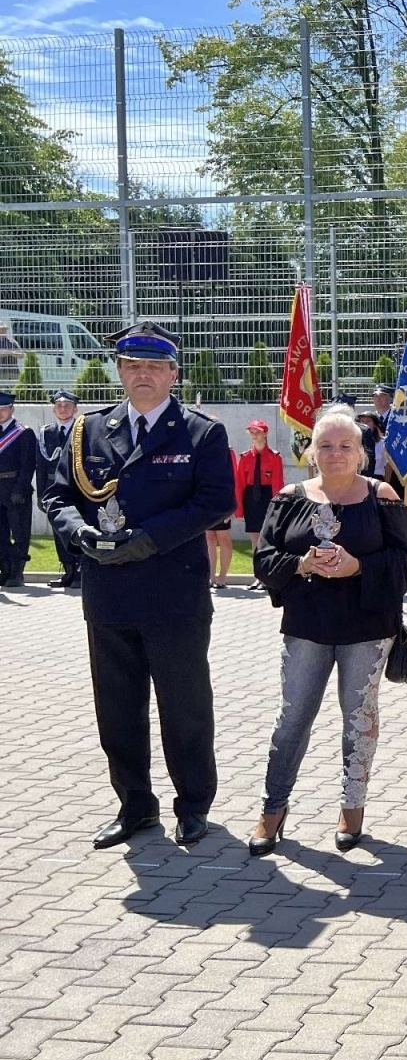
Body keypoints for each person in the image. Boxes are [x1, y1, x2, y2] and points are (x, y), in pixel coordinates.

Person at [41, 322, 234, 848]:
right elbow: (57, 496)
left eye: (153, 367)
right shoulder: (90, 431)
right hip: (109, 594)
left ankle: (193, 806)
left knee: (185, 706)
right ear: (120, 371)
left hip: (174, 592)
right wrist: (77, 531)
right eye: (132, 366)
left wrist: (150, 539)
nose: (142, 375)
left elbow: (216, 501)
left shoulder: (200, 432)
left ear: (173, 373)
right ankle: (135, 806)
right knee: (117, 708)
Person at [248, 406, 407, 856]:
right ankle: (273, 808)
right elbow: (263, 562)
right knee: (292, 722)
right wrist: (302, 564)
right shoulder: (289, 496)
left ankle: (352, 806)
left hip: (367, 627)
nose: (335, 453)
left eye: (345, 446)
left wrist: (357, 566)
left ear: (361, 453)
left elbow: (406, 566)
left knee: (358, 721)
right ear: (310, 451)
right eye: (325, 445)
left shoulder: (383, 497)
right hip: (306, 627)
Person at [37, 390, 81, 589]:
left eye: (67, 405)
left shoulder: (82, 430)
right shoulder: (47, 432)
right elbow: (41, 466)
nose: (63, 409)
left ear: (75, 408)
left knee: (77, 528)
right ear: (54, 409)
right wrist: (41, 494)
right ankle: (68, 571)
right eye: (59, 406)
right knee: (59, 531)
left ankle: (80, 572)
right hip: (53, 487)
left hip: (76, 487)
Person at [235, 420, 286, 580]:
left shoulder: (274, 457)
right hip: (251, 498)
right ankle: (258, 576)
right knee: (254, 540)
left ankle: (268, 574)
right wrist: (239, 509)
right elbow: (240, 484)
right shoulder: (244, 457)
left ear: (265, 434)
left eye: (257, 432)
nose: (254, 435)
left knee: (268, 539)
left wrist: (278, 508)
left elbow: (277, 484)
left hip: (267, 498)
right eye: (251, 432)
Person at [0, 390, 40, 587]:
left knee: (20, 533)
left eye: (3, 409)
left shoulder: (23, 432)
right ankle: (4, 570)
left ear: (11, 409)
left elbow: (28, 463)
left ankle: (17, 573)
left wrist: (20, 488)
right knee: (0, 533)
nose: (0, 413)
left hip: (15, 488)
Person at [205, 445, 237, 590]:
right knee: (209, 538)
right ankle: (211, 576)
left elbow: (234, 478)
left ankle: (222, 576)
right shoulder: (203, 448)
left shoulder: (227, 451)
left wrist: (232, 505)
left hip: (223, 499)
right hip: (206, 499)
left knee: (223, 537)